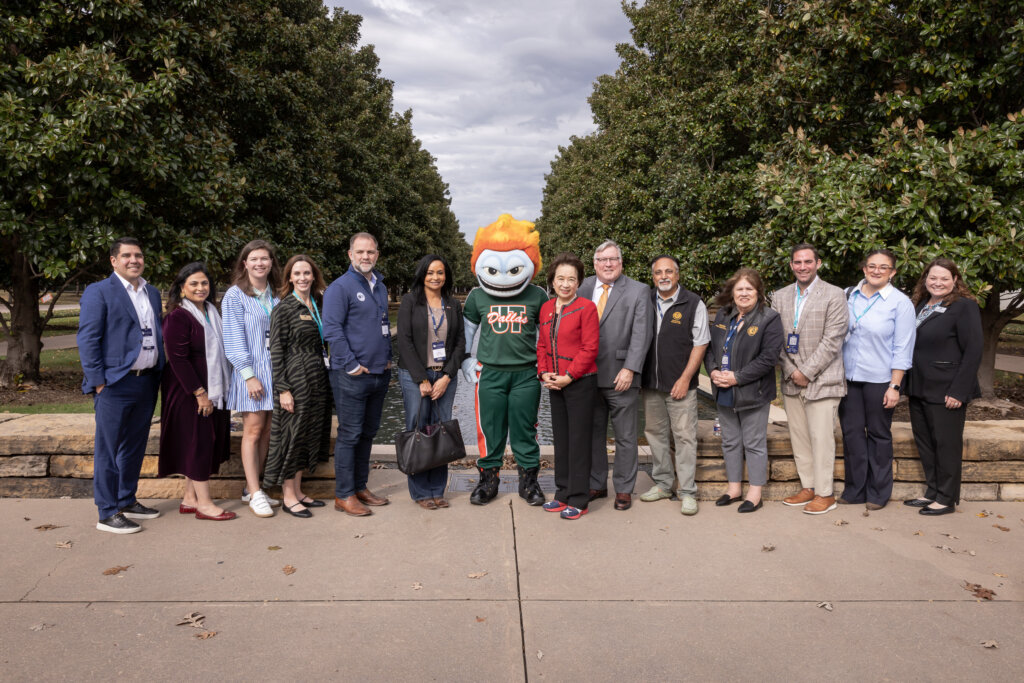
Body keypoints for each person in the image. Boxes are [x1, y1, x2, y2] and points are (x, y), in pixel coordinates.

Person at [460, 215, 549, 507]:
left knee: (526, 430)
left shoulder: (538, 295)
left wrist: (545, 365)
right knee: (490, 430)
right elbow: (467, 331)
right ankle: (488, 481)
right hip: (490, 374)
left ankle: (529, 482)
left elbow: (545, 335)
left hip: (525, 375)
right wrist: (466, 359)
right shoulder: (477, 297)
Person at [78, 237, 165, 533]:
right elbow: (88, 338)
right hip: (114, 384)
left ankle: (126, 499)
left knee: (134, 446)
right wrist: (98, 382)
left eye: (138, 255)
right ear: (114, 261)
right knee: (108, 449)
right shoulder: (99, 291)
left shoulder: (152, 292)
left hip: (147, 381)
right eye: (126, 255)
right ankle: (107, 511)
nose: (134, 260)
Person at [772, 244, 849, 515]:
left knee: (822, 439)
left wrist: (806, 372)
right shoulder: (779, 296)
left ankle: (825, 494)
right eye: (797, 262)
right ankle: (808, 487)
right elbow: (775, 339)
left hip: (823, 380)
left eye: (807, 261)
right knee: (800, 438)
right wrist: (792, 370)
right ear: (791, 265)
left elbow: (833, 339)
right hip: (791, 379)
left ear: (818, 263)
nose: (802, 267)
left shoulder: (834, 294)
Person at [839, 248, 916, 510]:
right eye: (872, 266)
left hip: (880, 379)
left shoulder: (900, 303)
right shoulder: (848, 295)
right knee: (851, 435)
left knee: (878, 435)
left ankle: (878, 492)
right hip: (848, 378)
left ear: (892, 272)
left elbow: (903, 347)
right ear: (864, 269)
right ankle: (855, 490)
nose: (876, 271)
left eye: (883, 267)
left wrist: (895, 386)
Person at [904, 258, 982, 516]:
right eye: (933, 277)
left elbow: (973, 350)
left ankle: (946, 499)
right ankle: (932, 492)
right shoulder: (920, 304)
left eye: (944, 278)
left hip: (947, 389)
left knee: (946, 445)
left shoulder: (964, 306)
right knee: (925, 443)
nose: (938, 283)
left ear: (955, 280)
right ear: (925, 279)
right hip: (918, 386)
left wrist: (959, 390)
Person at [158, 262, 235, 521]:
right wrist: (200, 393)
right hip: (188, 390)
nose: (200, 288)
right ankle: (205, 504)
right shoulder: (177, 316)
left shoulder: (211, 312)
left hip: (213, 386)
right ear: (182, 288)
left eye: (204, 283)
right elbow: (178, 359)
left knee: (201, 442)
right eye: (194, 283)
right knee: (199, 442)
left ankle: (190, 498)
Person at [578, 240, 652, 511]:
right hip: (586, 376)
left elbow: (642, 333)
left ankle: (623, 489)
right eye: (602, 260)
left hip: (622, 376)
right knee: (593, 435)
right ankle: (596, 484)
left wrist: (630, 368)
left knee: (625, 437)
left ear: (621, 262)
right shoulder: (582, 287)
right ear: (595, 263)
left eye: (613, 259)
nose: (607, 264)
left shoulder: (638, 290)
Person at [324, 232, 393, 516]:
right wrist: (352, 364)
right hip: (351, 375)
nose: (366, 256)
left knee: (367, 433)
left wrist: (387, 359)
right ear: (350, 254)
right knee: (350, 434)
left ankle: (360, 486)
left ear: (377, 254)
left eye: (371, 252)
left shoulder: (380, 286)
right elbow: (332, 330)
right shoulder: (340, 287)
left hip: (379, 373)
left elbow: (382, 325)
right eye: (360, 252)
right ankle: (344, 494)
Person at [705, 268, 784, 513]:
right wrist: (713, 371)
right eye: (739, 289)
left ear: (758, 292)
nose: (744, 293)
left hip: (753, 392)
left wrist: (737, 378)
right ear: (732, 292)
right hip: (723, 389)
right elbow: (710, 349)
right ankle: (734, 489)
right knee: (729, 441)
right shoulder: (723, 315)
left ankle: (755, 493)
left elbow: (768, 358)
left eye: (749, 289)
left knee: (754, 443)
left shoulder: (769, 318)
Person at [639, 255, 710, 516]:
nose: (664, 276)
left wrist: (685, 378)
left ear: (677, 275)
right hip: (651, 383)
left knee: (684, 437)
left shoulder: (693, 303)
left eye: (669, 271)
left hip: (681, 385)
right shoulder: (645, 300)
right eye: (658, 272)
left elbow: (700, 343)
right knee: (655, 434)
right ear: (653, 276)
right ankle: (663, 484)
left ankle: (688, 491)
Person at [264, 255, 333, 518]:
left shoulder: (317, 304)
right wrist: (283, 389)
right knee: (292, 438)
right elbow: (276, 351)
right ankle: (288, 496)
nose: (302, 278)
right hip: (295, 379)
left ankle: (299, 490)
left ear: (314, 276)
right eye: (297, 274)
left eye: (307, 273)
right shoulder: (283, 308)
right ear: (289, 278)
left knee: (307, 435)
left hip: (317, 376)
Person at [396, 254, 466, 509]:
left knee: (440, 431)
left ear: (446, 276)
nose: (435, 277)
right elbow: (403, 341)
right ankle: (420, 492)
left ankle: (438, 489)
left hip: (444, 377)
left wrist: (447, 376)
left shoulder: (453, 304)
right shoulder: (410, 301)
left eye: (440, 272)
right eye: (430, 272)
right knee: (418, 431)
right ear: (422, 275)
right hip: (415, 377)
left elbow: (460, 342)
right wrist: (421, 379)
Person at [537, 253, 600, 520]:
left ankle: (579, 498)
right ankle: (562, 493)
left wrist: (569, 376)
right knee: (561, 441)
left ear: (579, 282)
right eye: (561, 278)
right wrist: (544, 374)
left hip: (580, 383)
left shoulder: (587, 308)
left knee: (578, 442)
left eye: (571, 279)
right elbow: (542, 345)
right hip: (555, 384)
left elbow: (590, 348)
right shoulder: (546, 308)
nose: (565, 284)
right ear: (552, 281)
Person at [223, 239, 282, 518]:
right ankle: (256, 493)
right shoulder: (235, 296)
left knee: (268, 431)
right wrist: (248, 376)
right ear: (244, 263)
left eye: (265, 258)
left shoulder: (277, 294)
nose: (260, 263)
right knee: (253, 430)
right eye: (254, 259)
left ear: (271, 263)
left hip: (275, 373)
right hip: (252, 374)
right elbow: (233, 339)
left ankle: (252, 487)